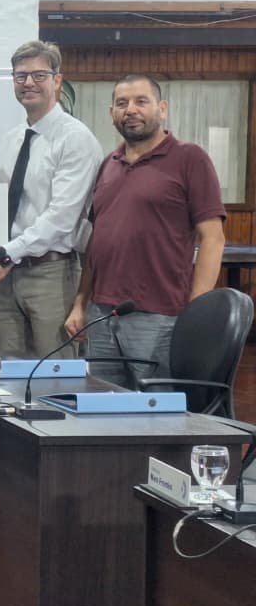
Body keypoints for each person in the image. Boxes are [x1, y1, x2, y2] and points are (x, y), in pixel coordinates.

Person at [64, 74, 225, 387]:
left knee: (156, 418)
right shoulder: (108, 164)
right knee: (105, 414)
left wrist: (195, 313)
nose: (130, 110)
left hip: (160, 318)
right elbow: (97, 241)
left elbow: (212, 238)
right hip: (103, 316)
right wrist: (81, 303)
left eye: (141, 101)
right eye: (122, 104)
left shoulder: (190, 159)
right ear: (112, 113)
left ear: (161, 108)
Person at [0, 40, 102, 358]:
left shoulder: (75, 139)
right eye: (20, 76)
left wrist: (5, 253)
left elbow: (61, 218)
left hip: (51, 273)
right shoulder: (14, 139)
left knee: (54, 376)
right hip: (10, 275)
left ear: (57, 80)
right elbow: (0, 206)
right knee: (9, 376)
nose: (28, 82)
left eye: (39, 75)